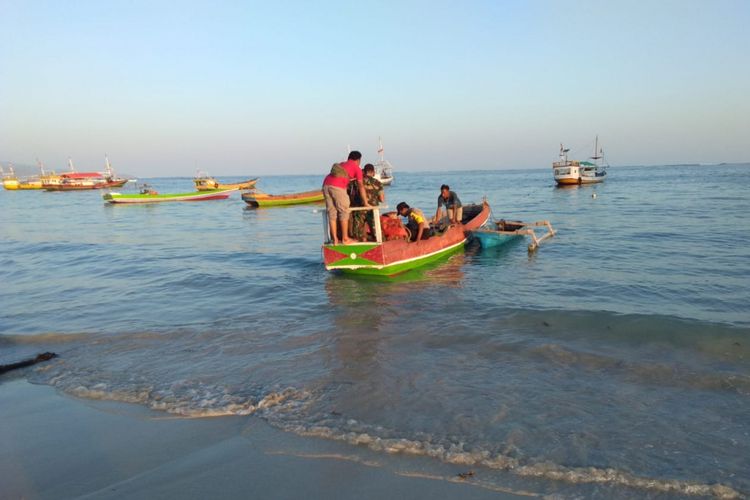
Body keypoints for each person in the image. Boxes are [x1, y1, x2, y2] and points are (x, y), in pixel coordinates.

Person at [323, 151, 370, 245]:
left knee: (332, 212)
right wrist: (365, 202)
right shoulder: (357, 168)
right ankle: (345, 238)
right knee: (344, 210)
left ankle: (335, 239)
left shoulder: (341, 165)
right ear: (358, 160)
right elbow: (361, 186)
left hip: (325, 184)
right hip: (338, 187)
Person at [351, 164, 385, 241]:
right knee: (377, 231)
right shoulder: (378, 183)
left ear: (364, 171)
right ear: (373, 172)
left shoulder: (355, 182)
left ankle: (359, 247)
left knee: (357, 233)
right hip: (373, 210)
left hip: (359, 209)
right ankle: (380, 244)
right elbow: (382, 199)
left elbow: (351, 195)